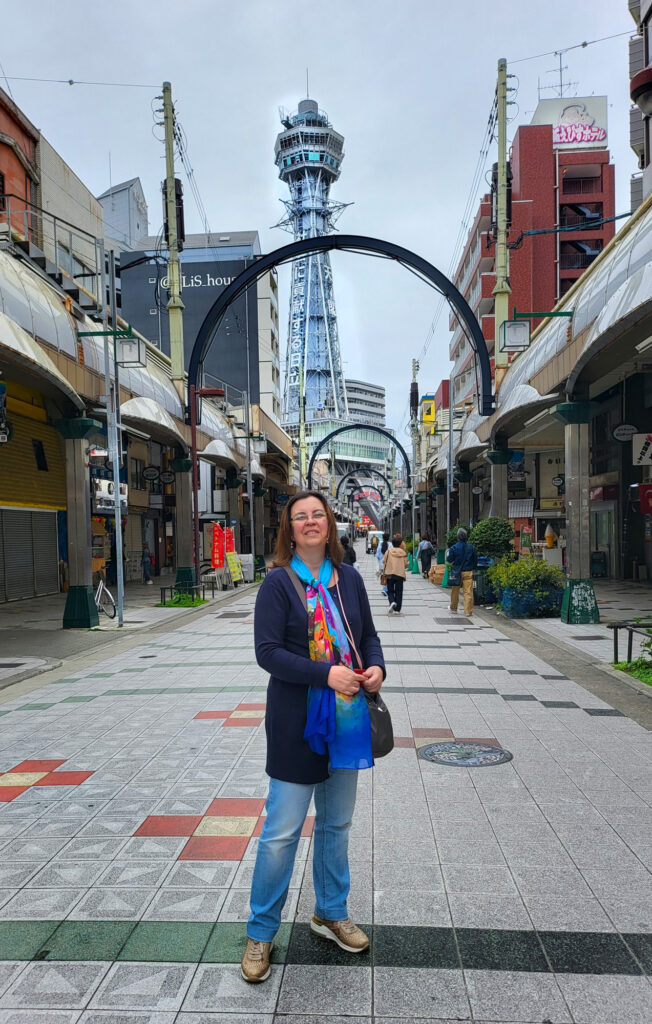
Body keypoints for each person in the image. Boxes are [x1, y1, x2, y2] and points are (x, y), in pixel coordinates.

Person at [241, 490, 385, 983]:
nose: (309, 523)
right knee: (281, 834)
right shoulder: (278, 585)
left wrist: (376, 667)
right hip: (295, 725)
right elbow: (268, 653)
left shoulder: (349, 580)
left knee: (336, 826)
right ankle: (260, 933)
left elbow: (367, 637)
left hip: (345, 722)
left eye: (316, 515)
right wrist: (326, 674)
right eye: (299, 517)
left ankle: (330, 912)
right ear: (289, 528)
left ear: (330, 525)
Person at [447, 527, 478, 616]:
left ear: (458, 537)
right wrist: (474, 568)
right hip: (468, 571)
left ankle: (453, 608)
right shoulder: (471, 547)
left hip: (456, 572)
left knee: (455, 590)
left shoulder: (454, 548)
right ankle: (467, 611)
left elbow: (449, 559)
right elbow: (475, 559)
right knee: (468, 591)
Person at [383, 533, 409, 614]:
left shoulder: (388, 551)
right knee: (399, 591)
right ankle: (397, 609)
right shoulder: (403, 553)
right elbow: (406, 564)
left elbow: (384, 561)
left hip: (389, 574)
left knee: (390, 590)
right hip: (400, 574)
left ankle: (392, 602)